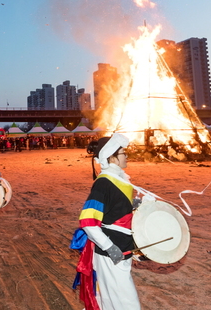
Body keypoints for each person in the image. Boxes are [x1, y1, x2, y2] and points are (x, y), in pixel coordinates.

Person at [74, 133, 141, 310]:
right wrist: (110, 247)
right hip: (112, 251)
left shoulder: (119, 179)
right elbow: (88, 221)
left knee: (111, 300)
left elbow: (112, 209)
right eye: (123, 153)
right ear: (112, 157)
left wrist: (131, 205)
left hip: (122, 247)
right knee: (127, 303)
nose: (126, 156)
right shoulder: (104, 183)